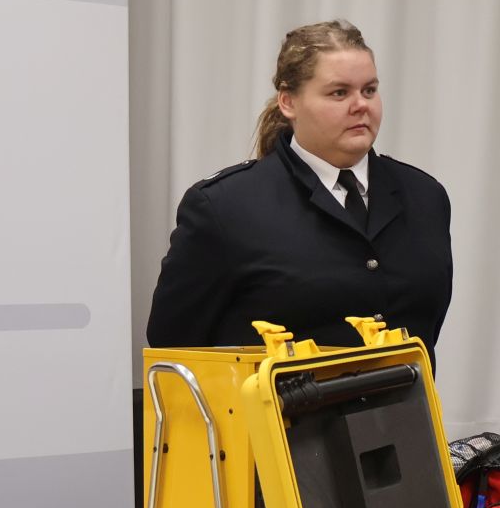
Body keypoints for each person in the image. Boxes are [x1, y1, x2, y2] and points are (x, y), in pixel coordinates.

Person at [147, 20, 453, 358]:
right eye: (339, 93)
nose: (361, 105)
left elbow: (426, 325)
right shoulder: (225, 208)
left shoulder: (425, 197)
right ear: (288, 102)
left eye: (369, 90)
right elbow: (174, 348)